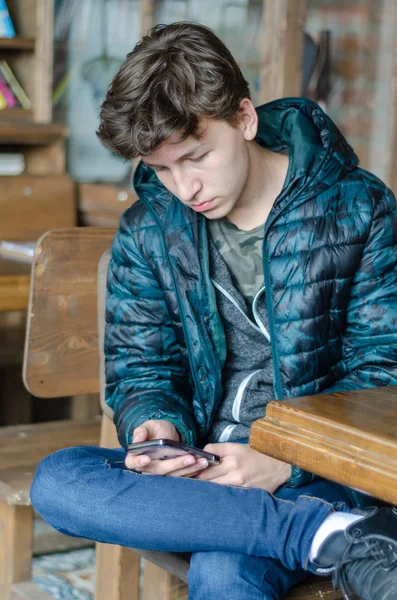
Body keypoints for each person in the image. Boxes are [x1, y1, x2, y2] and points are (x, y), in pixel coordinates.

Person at [31, 22, 397, 600]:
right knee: (58, 481)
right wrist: (156, 424)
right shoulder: (148, 229)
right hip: (205, 474)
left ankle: (319, 519)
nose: (184, 187)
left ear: (244, 119)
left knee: (225, 571)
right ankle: (334, 538)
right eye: (162, 169)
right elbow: (141, 365)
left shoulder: (359, 208)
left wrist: (282, 463)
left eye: (197, 156)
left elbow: (382, 374)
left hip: (317, 473)